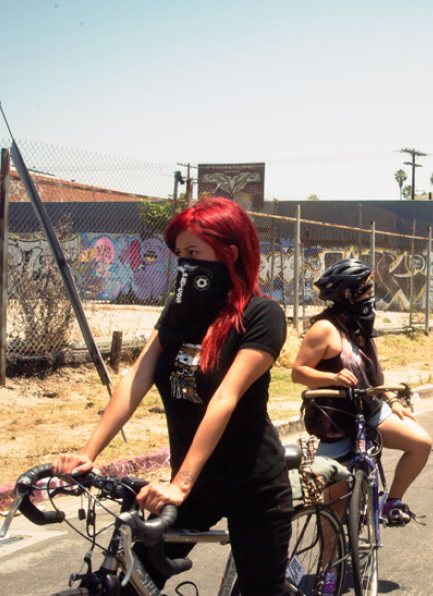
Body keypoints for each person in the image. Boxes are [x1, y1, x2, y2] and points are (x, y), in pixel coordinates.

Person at [53, 197, 292, 595]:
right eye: (180, 254)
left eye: (194, 253)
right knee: (131, 582)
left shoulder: (261, 315)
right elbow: (135, 379)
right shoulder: (180, 312)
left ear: (229, 253)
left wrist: (179, 484)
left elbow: (225, 398)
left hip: (253, 486)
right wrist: (88, 453)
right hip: (194, 484)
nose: (184, 264)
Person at [292, 258, 432, 526]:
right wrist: (330, 377)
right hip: (336, 422)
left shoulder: (360, 325)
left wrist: (392, 400)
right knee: (333, 511)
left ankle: (393, 501)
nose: (371, 296)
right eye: (366, 290)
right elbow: (298, 372)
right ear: (347, 295)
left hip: (370, 411)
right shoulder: (324, 329)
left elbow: (373, 372)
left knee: (421, 443)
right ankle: (328, 567)